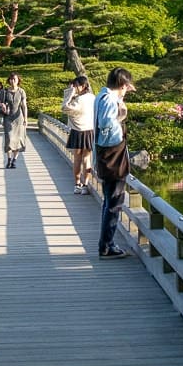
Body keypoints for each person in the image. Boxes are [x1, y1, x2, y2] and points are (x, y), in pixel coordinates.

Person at [93, 67, 136, 259]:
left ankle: (106, 244)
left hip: (104, 157)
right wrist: (119, 132)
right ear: (123, 85)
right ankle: (107, 246)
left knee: (109, 200)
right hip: (113, 157)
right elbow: (107, 125)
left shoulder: (102, 96)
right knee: (114, 201)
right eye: (127, 86)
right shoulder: (110, 100)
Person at [61, 74, 95, 193]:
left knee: (77, 159)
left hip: (77, 131)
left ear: (82, 86)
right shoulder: (93, 98)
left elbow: (65, 107)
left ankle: (77, 184)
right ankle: (85, 185)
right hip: (90, 130)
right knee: (87, 159)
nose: (74, 88)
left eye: (75, 86)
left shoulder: (78, 100)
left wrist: (70, 93)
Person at [0, 72, 29, 168]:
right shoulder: (4, 91)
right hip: (8, 118)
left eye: (15, 79)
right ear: (9, 80)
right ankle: (9, 159)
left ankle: (14, 160)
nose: (13, 81)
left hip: (19, 118)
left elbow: (24, 106)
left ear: (18, 80)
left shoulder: (21, 91)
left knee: (18, 139)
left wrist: (26, 118)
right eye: (11, 79)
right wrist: (1, 105)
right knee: (9, 139)